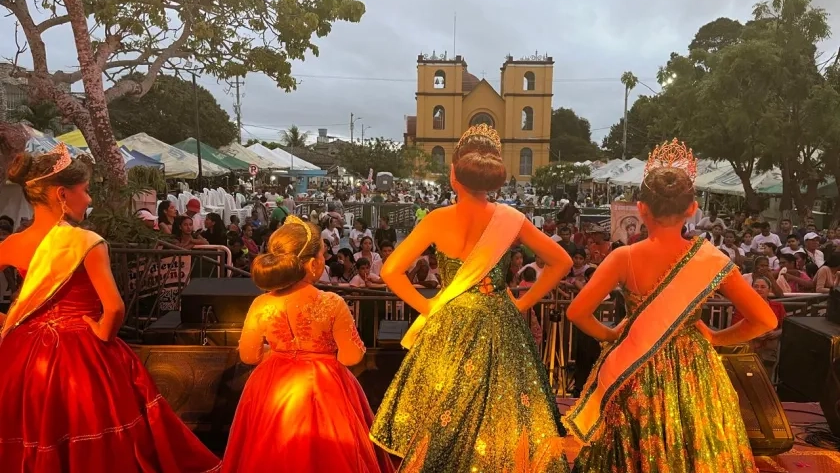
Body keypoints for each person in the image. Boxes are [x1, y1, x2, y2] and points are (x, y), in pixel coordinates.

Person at [0, 129, 221, 471]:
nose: (89, 200)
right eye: (85, 191)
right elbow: (115, 307)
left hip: (22, 356)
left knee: (32, 431)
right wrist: (101, 338)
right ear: (62, 194)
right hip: (81, 352)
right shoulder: (88, 241)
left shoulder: (10, 245)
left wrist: (8, 323)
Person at [565, 139, 777, 472]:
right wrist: (717, 337)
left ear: (642, 209)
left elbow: (576, 312)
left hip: (634, 365)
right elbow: (765, 319)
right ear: (692, 209)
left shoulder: (623, 257)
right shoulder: (711, 259)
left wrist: (608, 336)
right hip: (695, 369)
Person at [370, 124, 571, 472]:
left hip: (450, 322)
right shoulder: (512, 220)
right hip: (499, 321)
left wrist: (429, 306)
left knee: (444, 407)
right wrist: (522, 303)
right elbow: (562, 262)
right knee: (504, 411)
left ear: (454, 174)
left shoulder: (436, 219)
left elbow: (390, 271)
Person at [224, 216, 393, 473]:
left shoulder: (262, 303)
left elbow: (248, 355)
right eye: (324, 254)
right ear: (314, 263)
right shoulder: (331, 302)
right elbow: (351, 357)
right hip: (324, 385)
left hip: (271, 386)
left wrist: (281, 352)